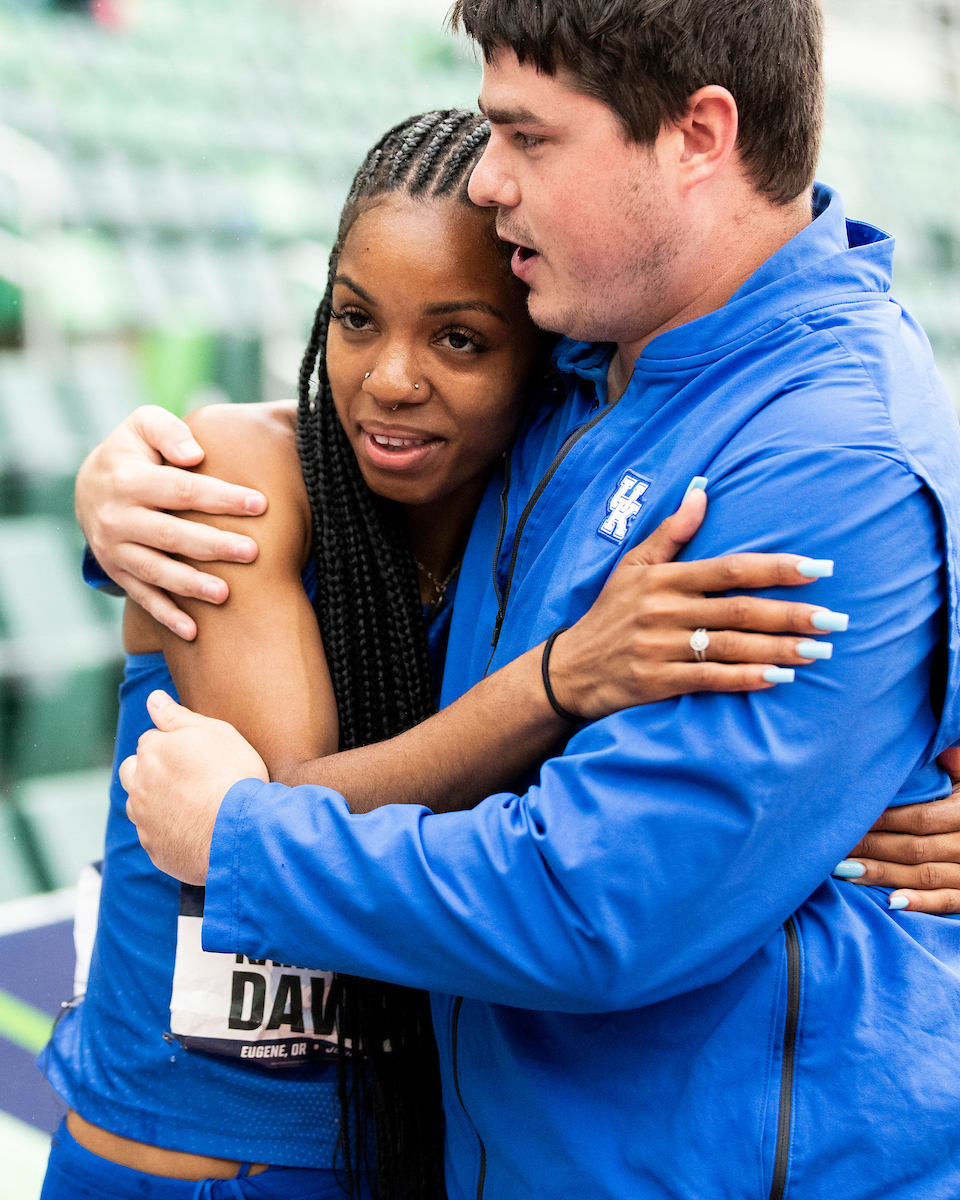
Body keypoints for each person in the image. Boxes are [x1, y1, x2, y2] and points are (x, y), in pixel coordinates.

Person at [114, 0, 960, 1194]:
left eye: (528, 137)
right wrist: (136, 484)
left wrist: (249, 842)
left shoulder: (829, 452)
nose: (490, 180)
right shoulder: (581, 364)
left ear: (698, 134)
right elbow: (346, 450)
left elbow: (595, 904)